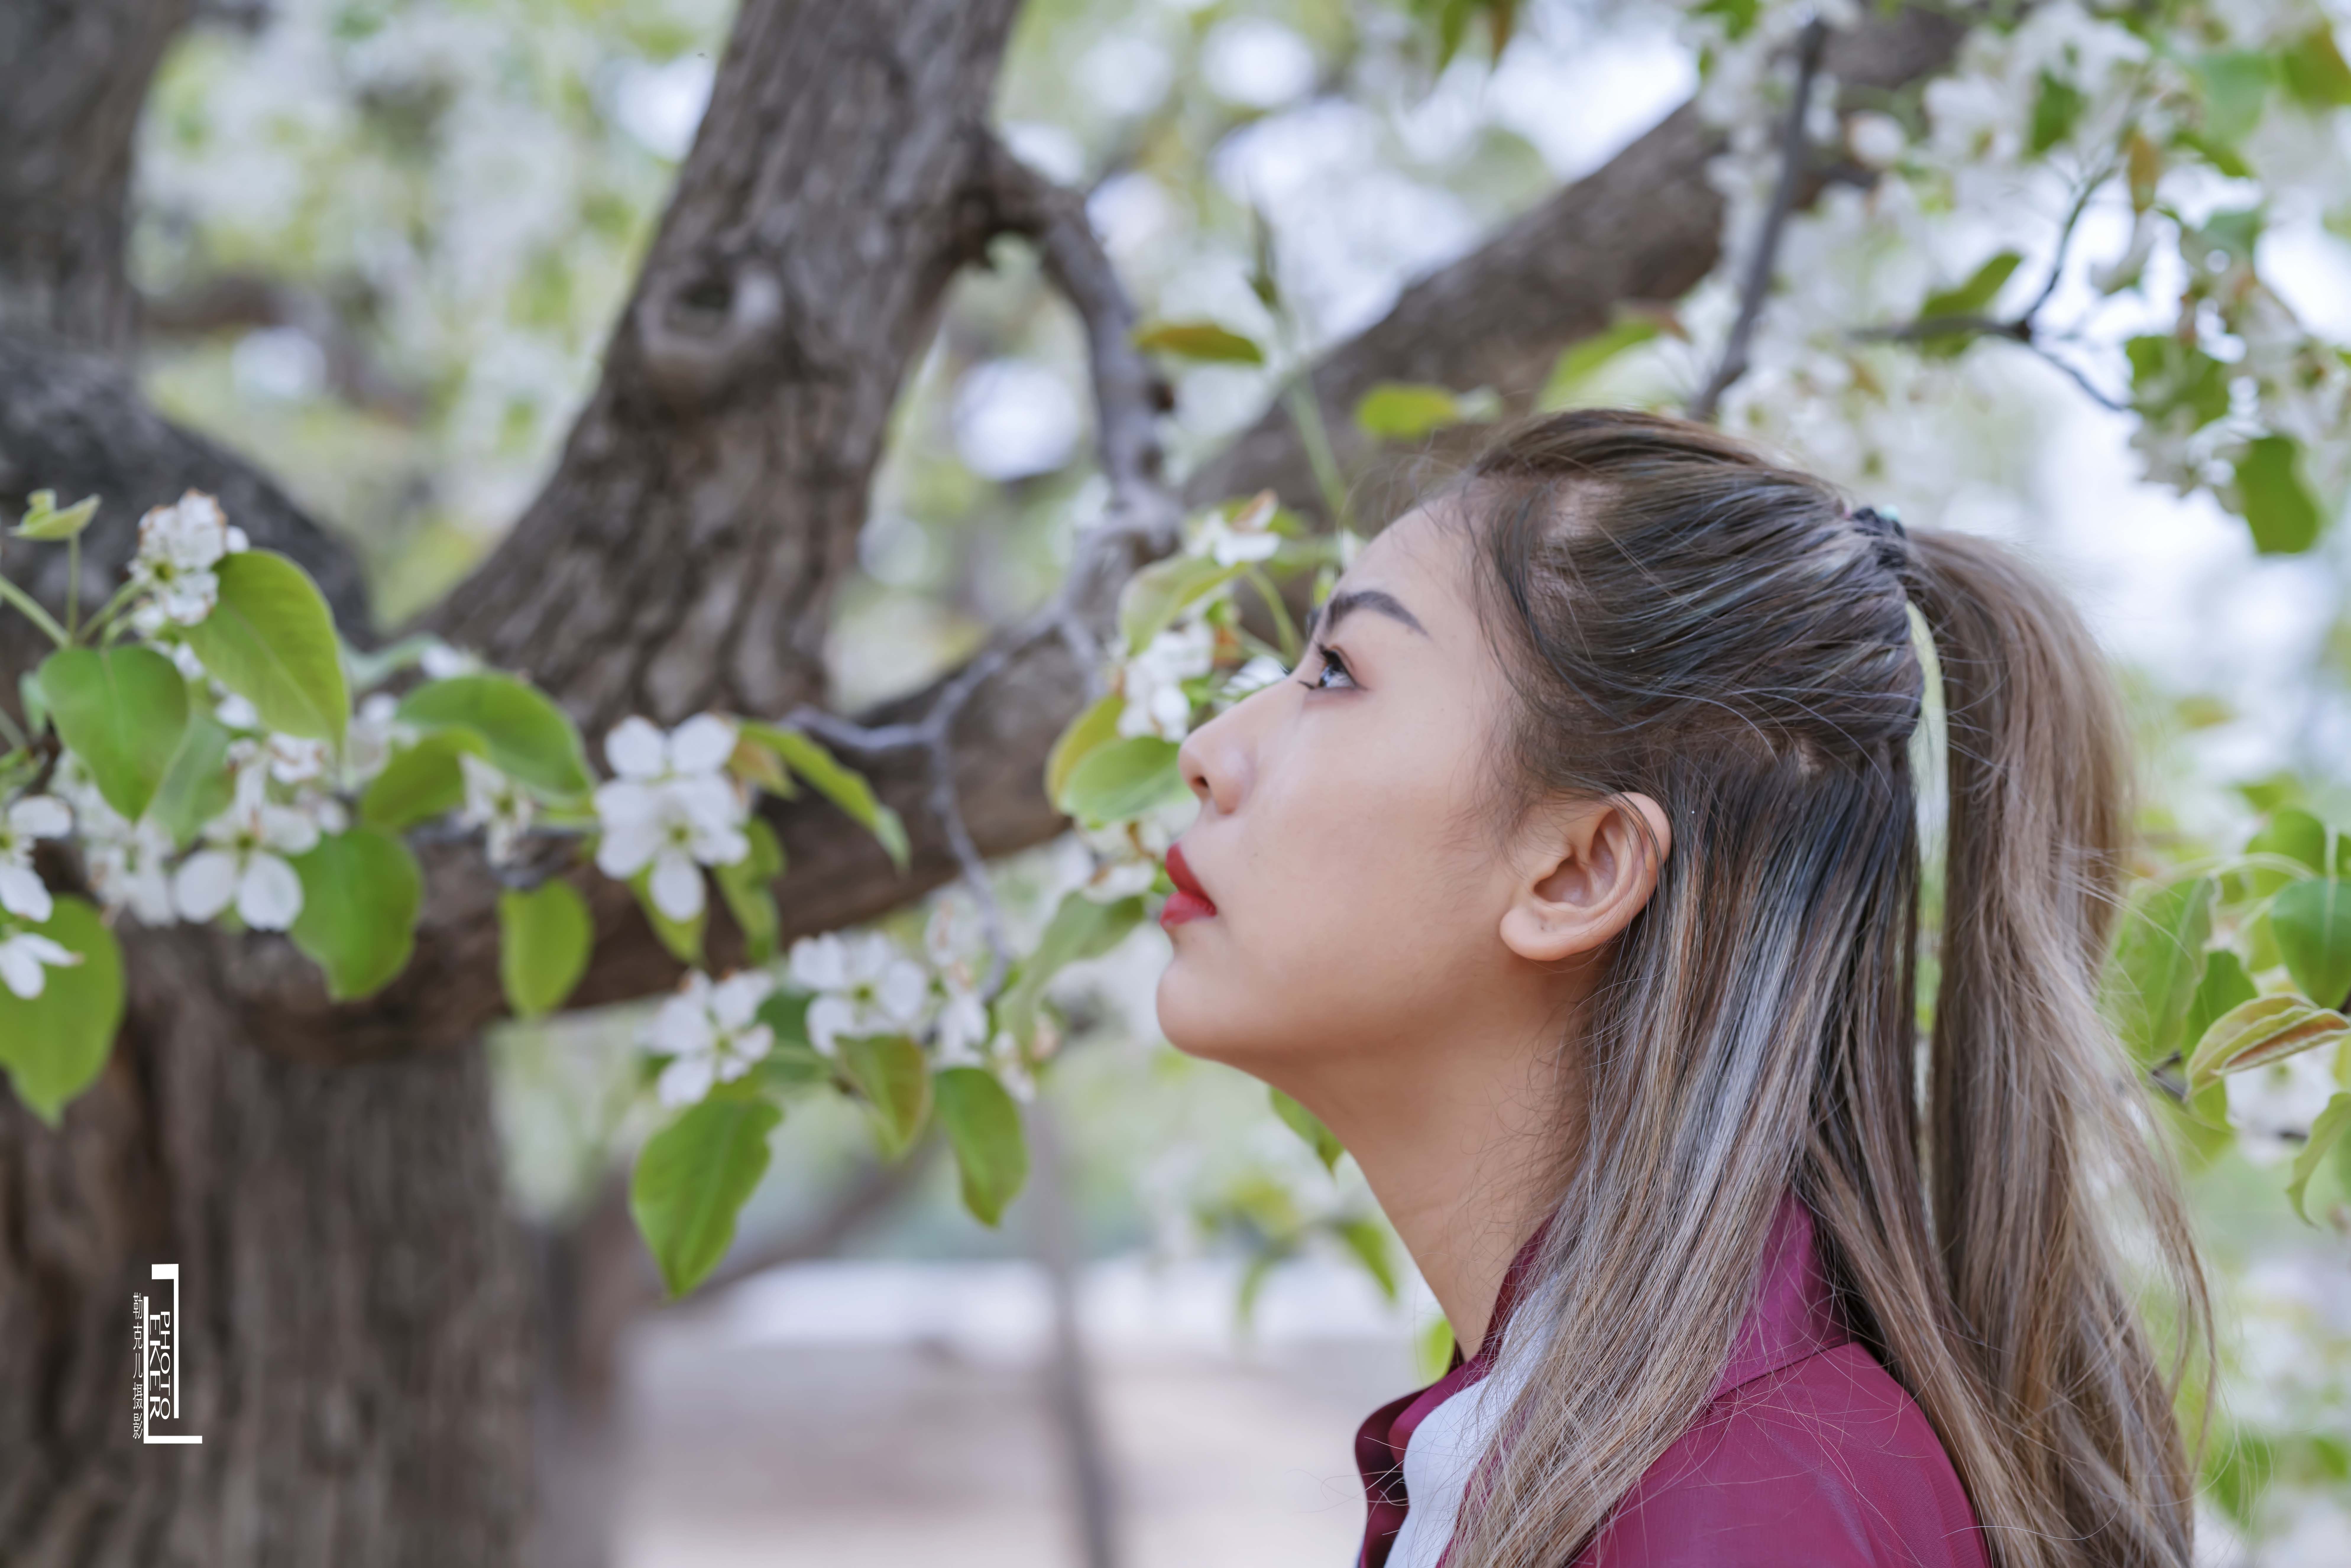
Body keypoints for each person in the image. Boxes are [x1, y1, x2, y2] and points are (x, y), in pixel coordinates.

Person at [1153, 409, 2210, 1568]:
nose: (1208, 747)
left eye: (1338, 673)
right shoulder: (1617, 1454)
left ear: (1575, 871)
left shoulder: (1736, 1514)